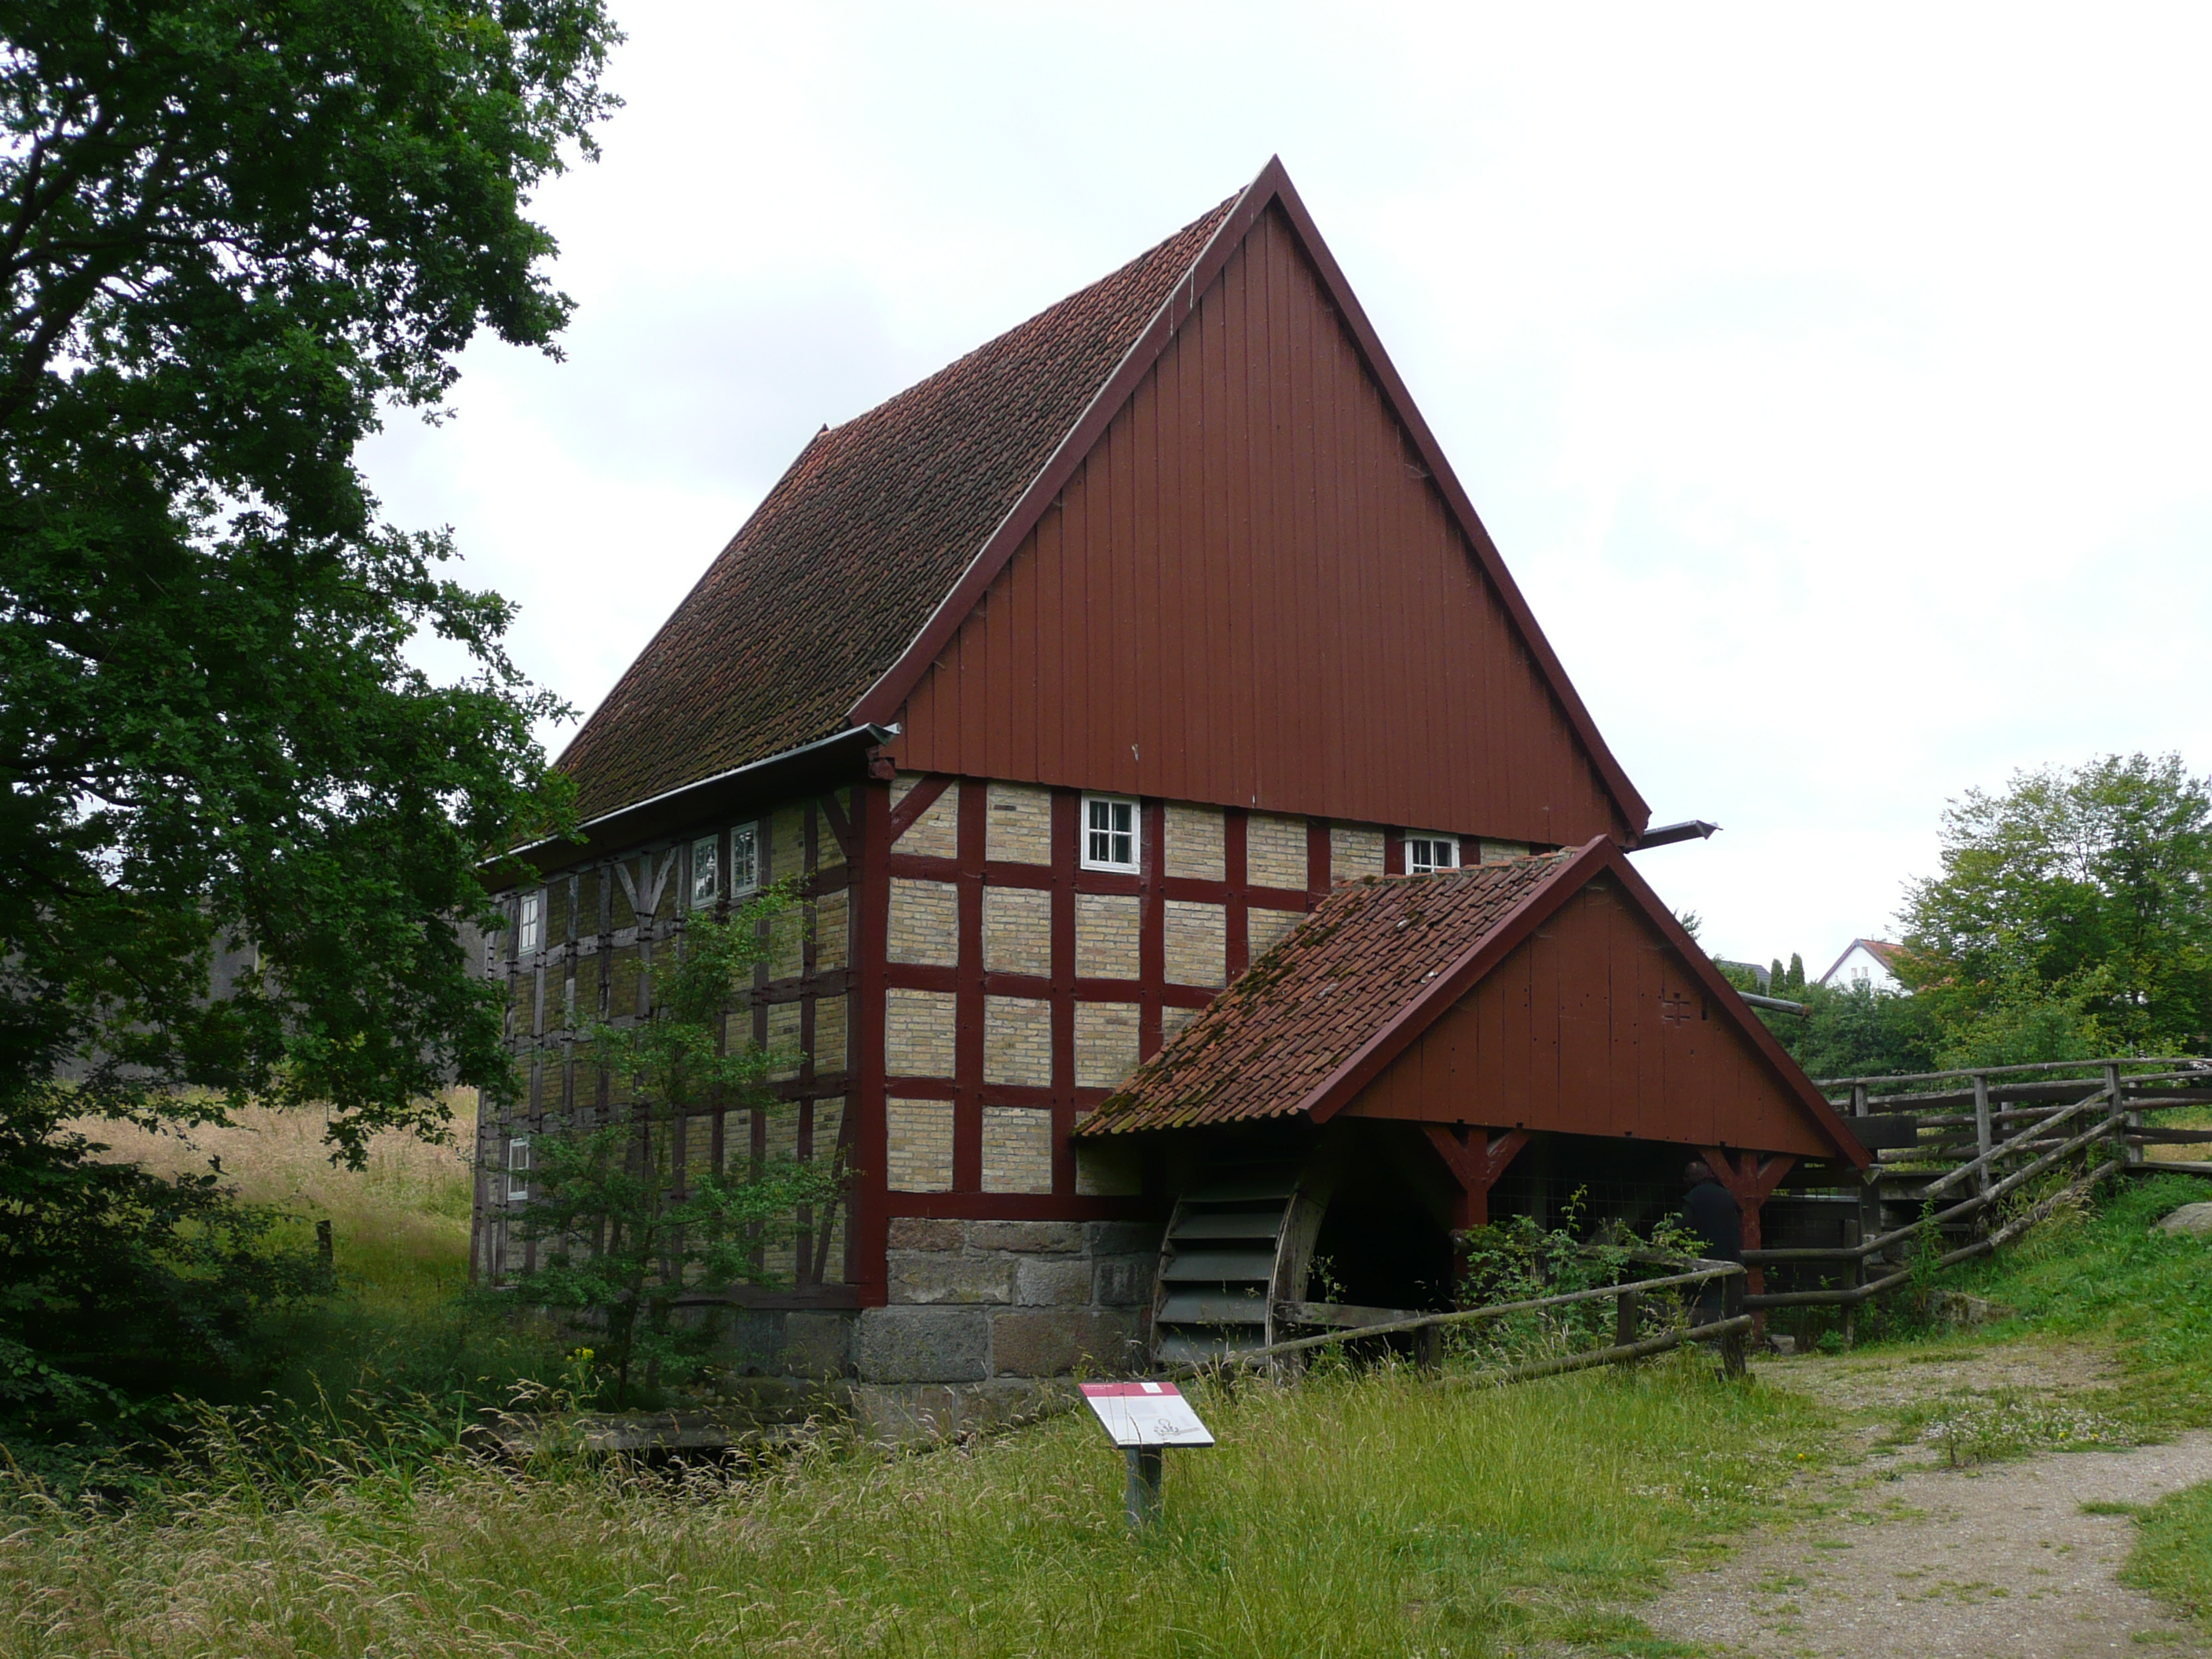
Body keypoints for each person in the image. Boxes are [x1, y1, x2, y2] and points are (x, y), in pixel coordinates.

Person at [1680, 1159, 1742, 1328]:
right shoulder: (1727, 1195)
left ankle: (1706, 1336)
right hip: (1730, 1258)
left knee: (1703, 1302)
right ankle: (1726, 1334)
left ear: (1690, 1178)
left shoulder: (1693, 1198)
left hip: (1703, 1262)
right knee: (1725, 1302)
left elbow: (1681, 1228)